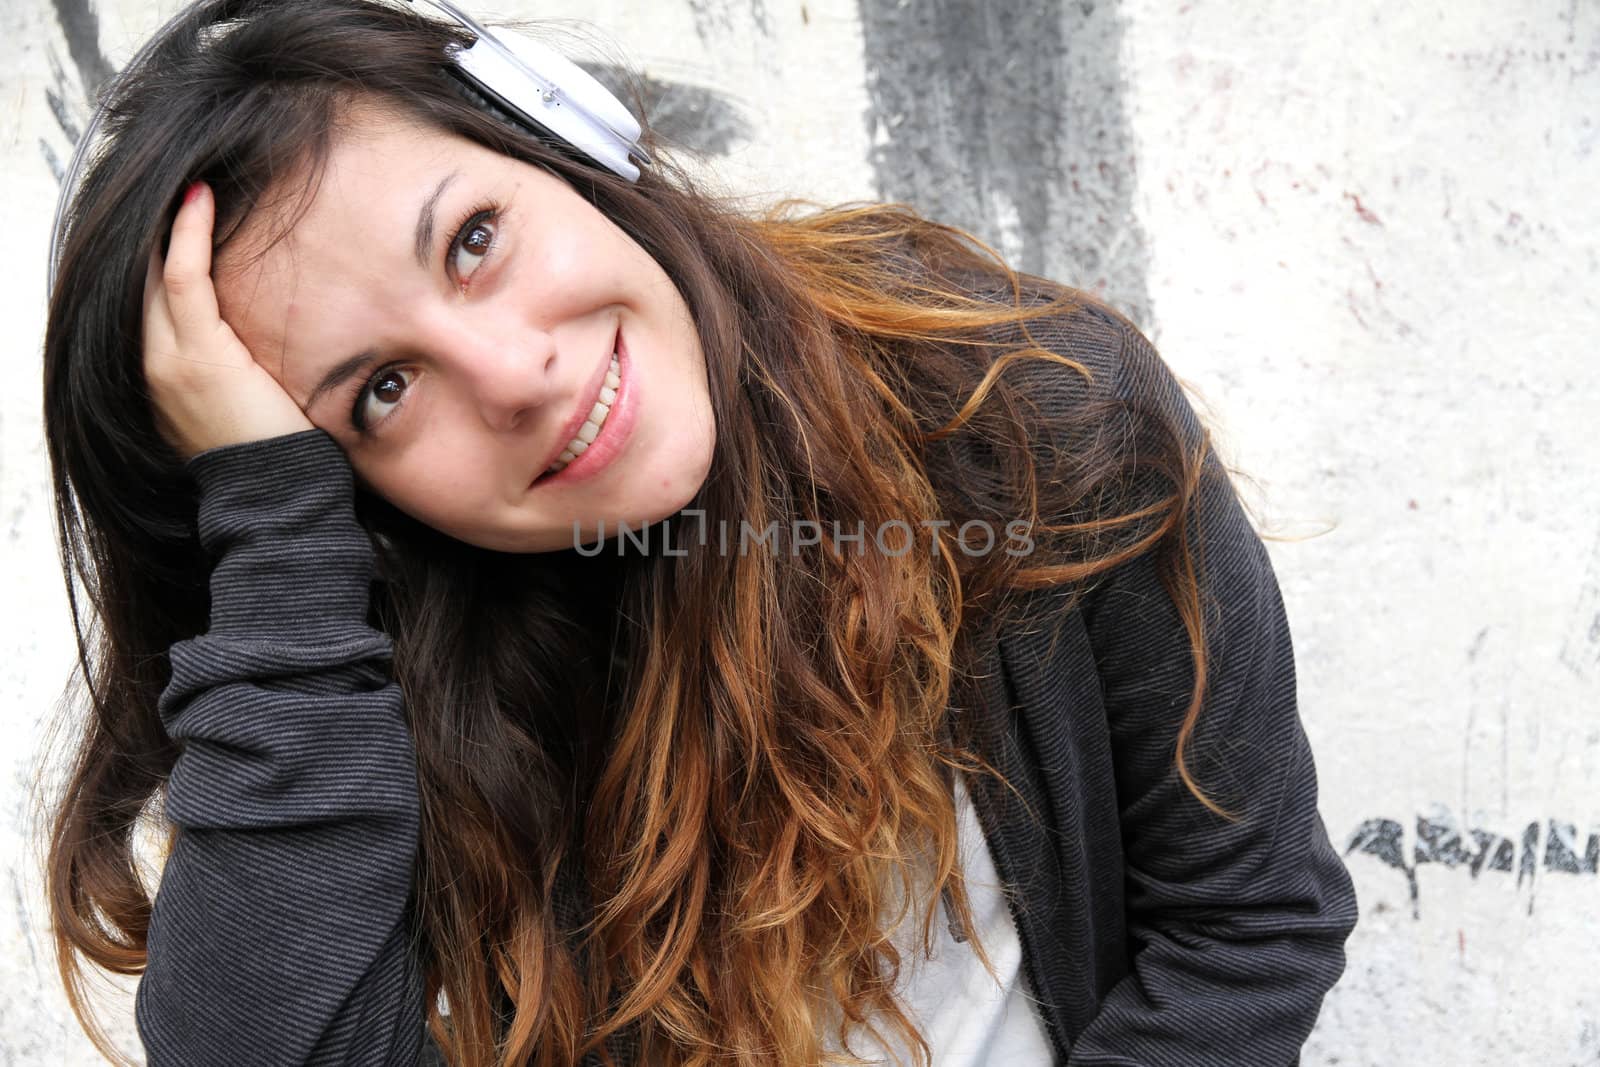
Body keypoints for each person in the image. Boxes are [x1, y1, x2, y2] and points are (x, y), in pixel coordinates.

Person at [37, 1, 1358, 1064]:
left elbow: (1245, 928)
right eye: (380, 390)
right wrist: (271, 538)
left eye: (475, 240)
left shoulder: (1026, 416)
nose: (514, 375)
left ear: (569, 137)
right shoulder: (391, 685)